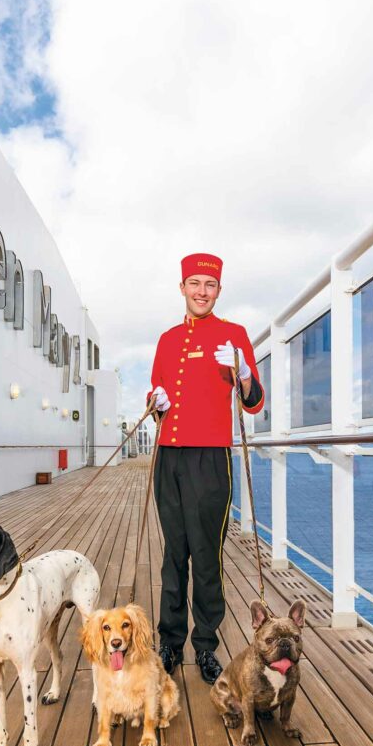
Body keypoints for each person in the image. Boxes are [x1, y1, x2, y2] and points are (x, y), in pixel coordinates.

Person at [147, 253, 265, 684]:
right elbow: (157, 393)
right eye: (194, 283)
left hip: (210, 458)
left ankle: (205, 645)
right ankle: (170, 641)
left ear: (218, 290)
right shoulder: (166, 339)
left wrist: (244, 373)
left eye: (209, 285)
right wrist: (155, 403)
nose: (201, 291)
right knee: (173, 553)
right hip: (169, 457)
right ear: (182, 287)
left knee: (207, 555)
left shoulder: (234, 335)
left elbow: (254, 402)